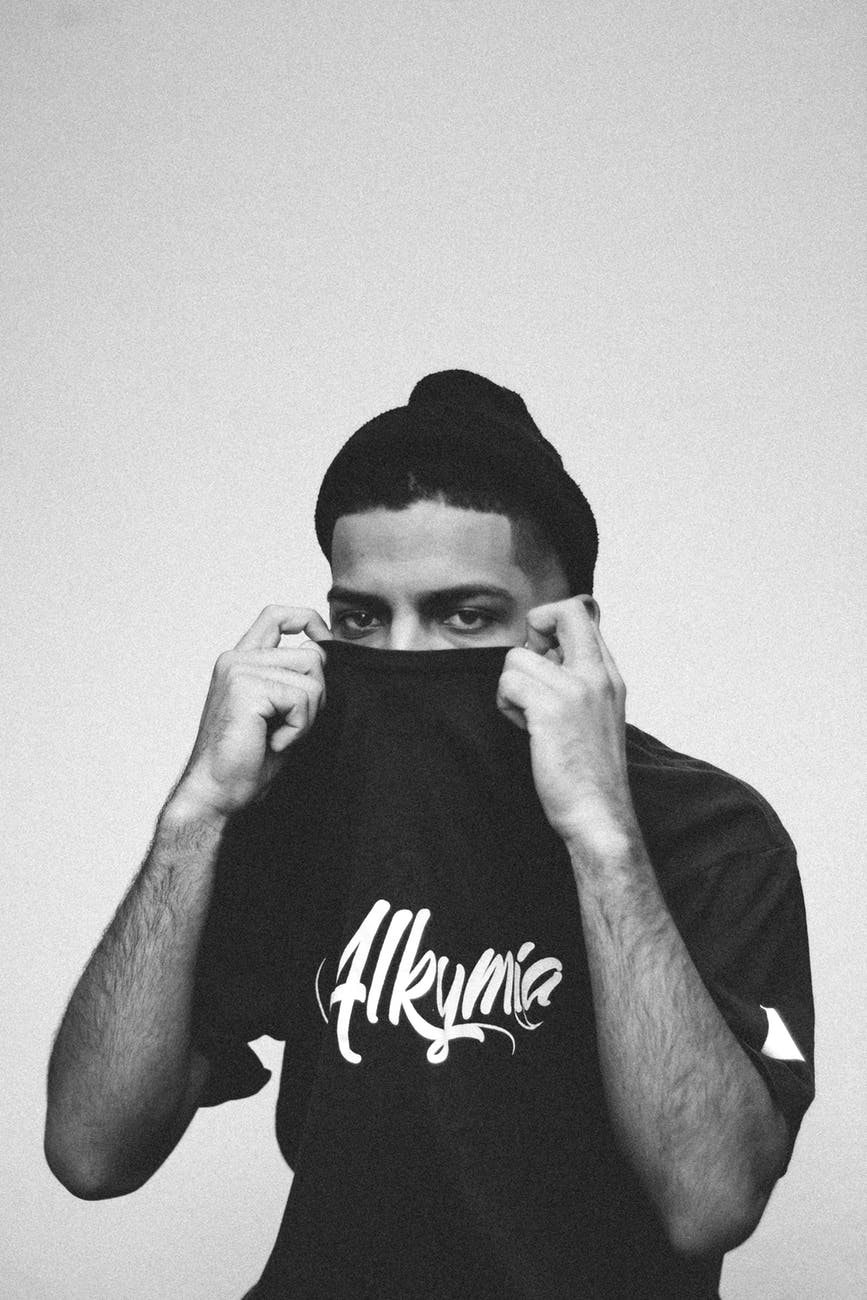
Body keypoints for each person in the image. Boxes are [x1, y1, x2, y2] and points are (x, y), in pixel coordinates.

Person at [45, 370, 815, 1298]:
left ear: (568, 631)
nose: (403, 660)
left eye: (464, 616)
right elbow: (92, 1152)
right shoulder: (295, 803)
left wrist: (602, 837)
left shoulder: (713, 835)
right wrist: (195, 814)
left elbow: (709, 1200)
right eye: (363, 619)